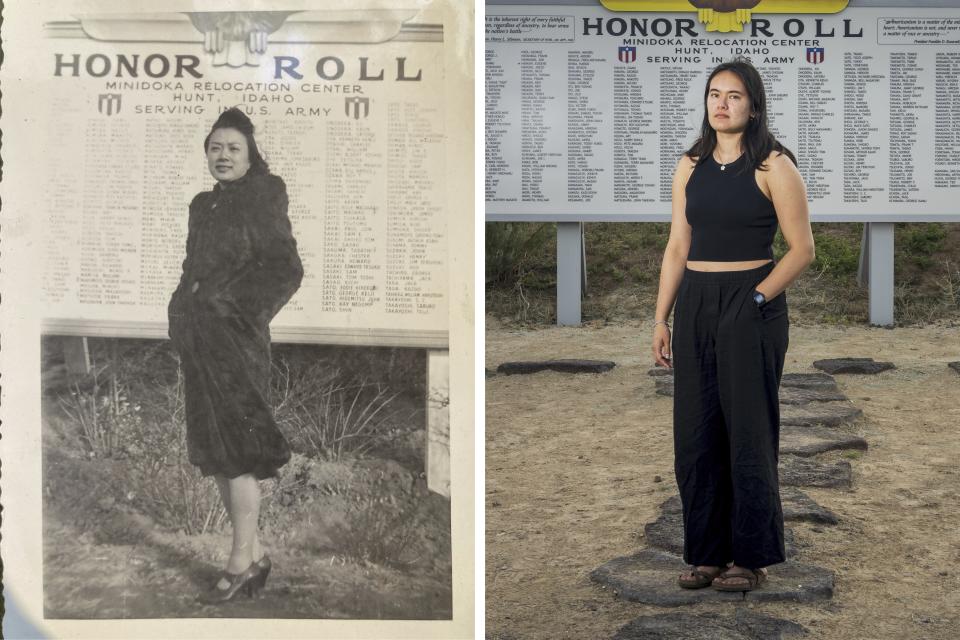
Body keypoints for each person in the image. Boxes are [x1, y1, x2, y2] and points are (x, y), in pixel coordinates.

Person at [651, 59, 815, 592]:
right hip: (695, 302)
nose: (722, 104)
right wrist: (661, 318)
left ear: (753, 105)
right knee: (695, 434)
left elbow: (802, 250)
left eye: (735, 96)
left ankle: (750, 557)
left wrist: (759, 297)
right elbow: (678, 246)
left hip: (752, 301)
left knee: (748, 431)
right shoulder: (689, 164)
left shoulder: (773, 166)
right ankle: (706, 553)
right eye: (715, 94)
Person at [167, 107, 304, 603]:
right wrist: (181, 311)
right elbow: (191, 269)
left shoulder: (264, 195)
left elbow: (285, 268)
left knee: (240, 451)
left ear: (250, 156)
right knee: (218, 451)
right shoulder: (203, 204)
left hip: (236, 345)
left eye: (233, 149)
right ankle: (256, 554)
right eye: (215, 148)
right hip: (200, 342)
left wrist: (232, 308)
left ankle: (240, 561)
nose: (222, 156)